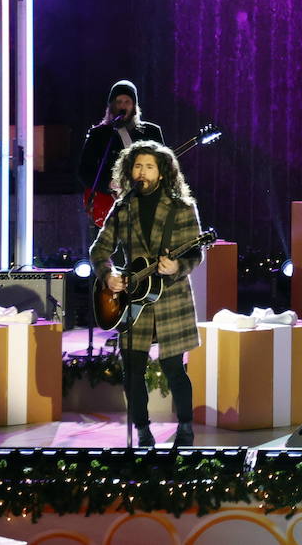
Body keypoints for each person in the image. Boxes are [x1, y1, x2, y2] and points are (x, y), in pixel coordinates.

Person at [91, 140, 203, 448]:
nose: (143, 172)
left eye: (149, 167)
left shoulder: (181, 207)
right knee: (133, 368)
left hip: (172, 299)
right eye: (138, 166)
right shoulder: (124, 205)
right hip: (132, 298)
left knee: (173, 368)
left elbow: (196, 254)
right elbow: (100, 248)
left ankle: (186, 427)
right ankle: (142, 430)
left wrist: (176, 266)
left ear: (163, 173)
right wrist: (108, 274)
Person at [78, 80, 165, 223]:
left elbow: (164, 167)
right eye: (119, 102)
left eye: (127, 102)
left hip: (143, 205)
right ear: (112, 106)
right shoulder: (99, 134)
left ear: (134, 106)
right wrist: (108, 184)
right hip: (110, 205)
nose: (123, 106)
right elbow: (84, 172)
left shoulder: (151, 132)